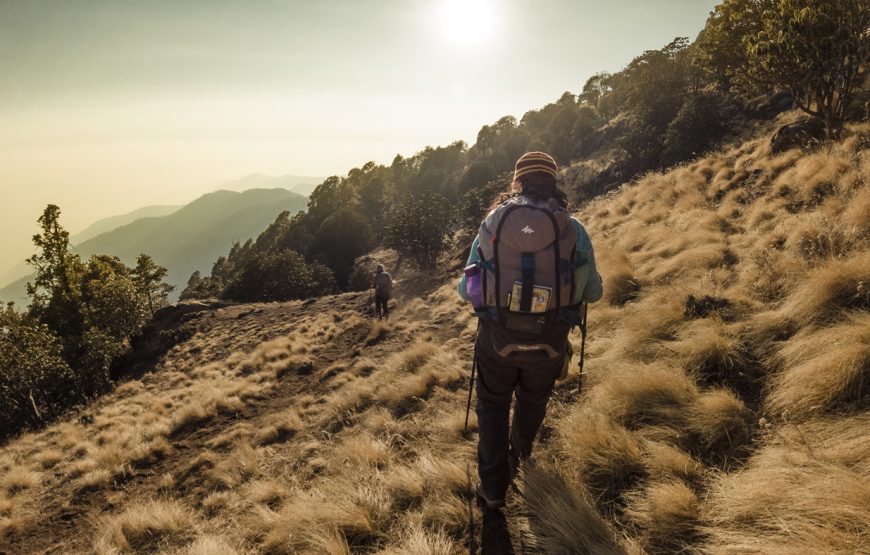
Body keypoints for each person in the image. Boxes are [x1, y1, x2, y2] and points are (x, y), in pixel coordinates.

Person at [458, 151, 603, 509]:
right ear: (553, 182)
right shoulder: (574, 229)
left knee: (492, 407)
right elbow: (594, 293)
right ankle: (518, 460)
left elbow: (465, 289)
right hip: (549, 341)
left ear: (517, 181)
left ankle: (492, 490)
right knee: (533, 401)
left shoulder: (493, 224)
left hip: (497, 340)